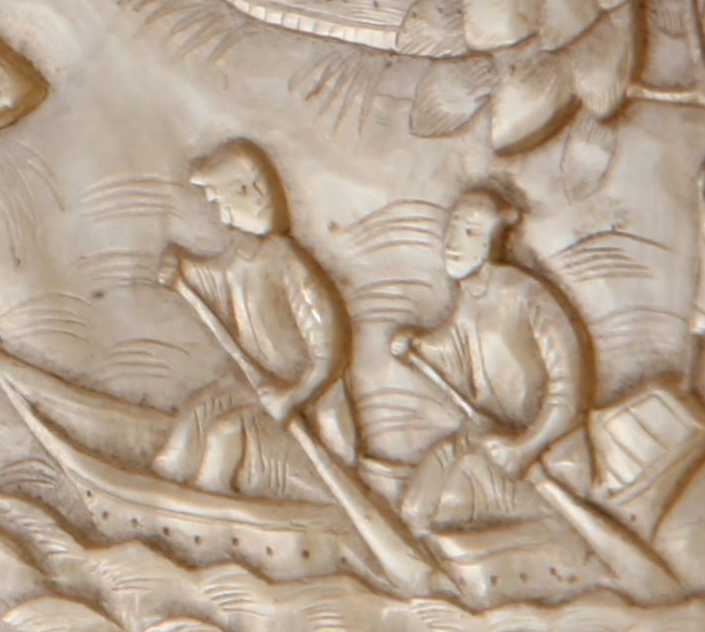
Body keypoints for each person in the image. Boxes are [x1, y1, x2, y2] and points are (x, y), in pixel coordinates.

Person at [151, 143, 350, 500]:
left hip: (303, 402)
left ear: (247, 193)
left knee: (225, 434)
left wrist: (293, 396)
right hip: (255, 383)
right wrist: (179, 267)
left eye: (219, 199)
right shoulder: (238, 255)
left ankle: (211, 504)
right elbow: (211, 278)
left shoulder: (288, 263)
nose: (217, 209)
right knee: (194, 419)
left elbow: (329, 351)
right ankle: (164, 491)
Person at [392, 188, 592, 532]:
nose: (452, 242)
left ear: (492, 242)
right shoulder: (470, 297)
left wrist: (526, 447)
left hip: (547, 454)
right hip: (488, 435)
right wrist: (417, 347)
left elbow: (570, 391)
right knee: (414, 505)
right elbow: (452, 346)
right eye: (453, 228)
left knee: (449, 507)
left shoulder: (527, 296)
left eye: (470, 232)